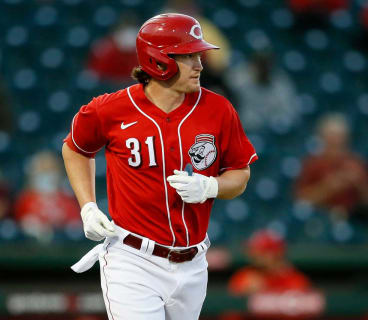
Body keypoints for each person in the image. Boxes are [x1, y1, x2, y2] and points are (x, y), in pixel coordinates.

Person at [62, 14, 257, 320]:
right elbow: (75, 148)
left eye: (199, 55)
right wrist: (87, 206)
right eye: (188, 56)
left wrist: (211, 186)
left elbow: (240, 174)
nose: (200, 65)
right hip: (133, 259)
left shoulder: (219, 109)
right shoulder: (110, 109)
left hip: (193, 263)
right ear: (158, 60)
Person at [294, 113, 368, 221]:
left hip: (354, 219)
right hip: (320, 219)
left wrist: (360, 183)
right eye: (331, 138)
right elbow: (301, 201)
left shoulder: (357, 164)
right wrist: (329, 187)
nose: (336, 142)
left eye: (339, 137)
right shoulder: (313, 164)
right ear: (323, 139)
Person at [14, 150, 80, 242]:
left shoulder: (67, 198)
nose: (46, 177)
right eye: (41, 172)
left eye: (50, 171)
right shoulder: (26, 199)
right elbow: (20, 223)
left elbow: (75, 224)